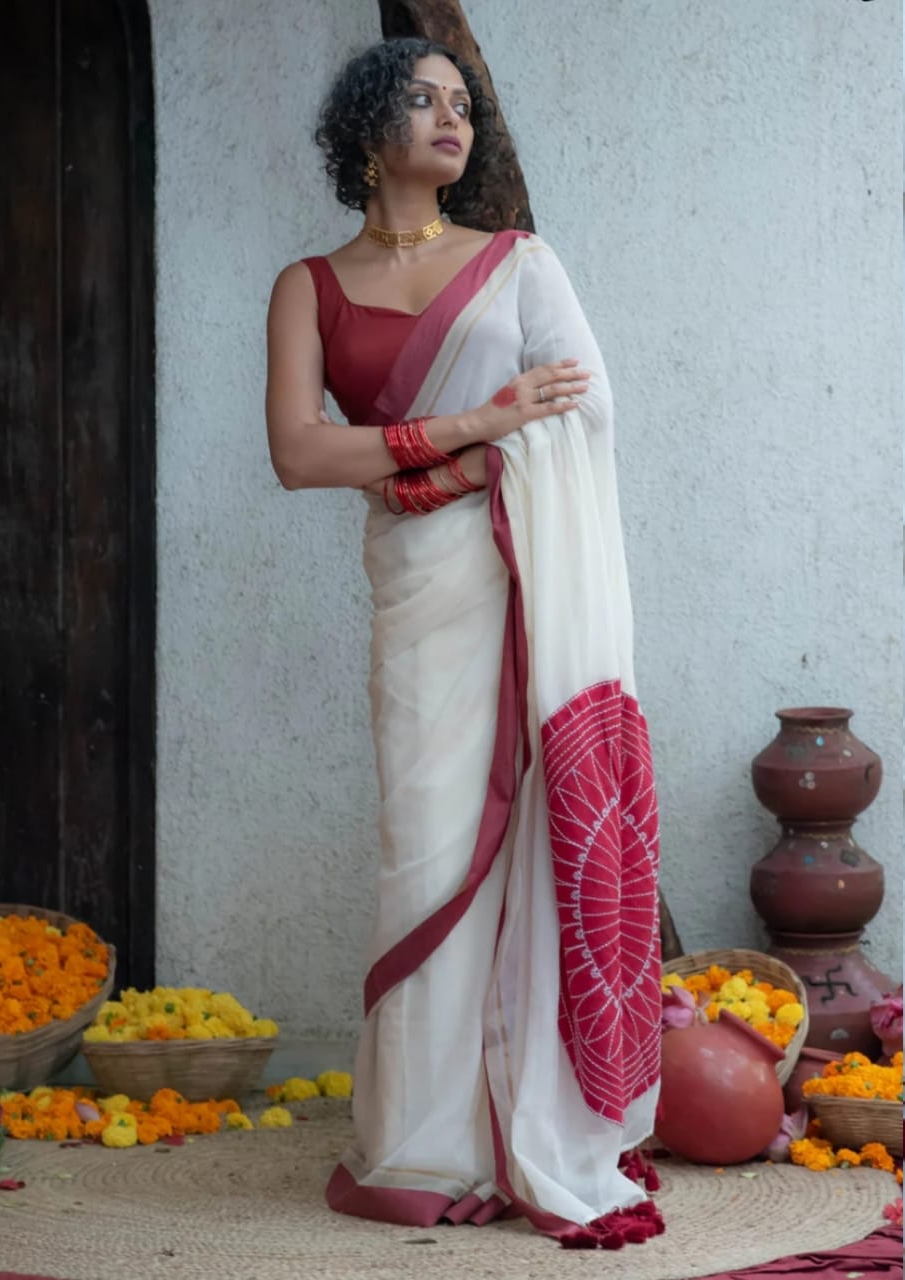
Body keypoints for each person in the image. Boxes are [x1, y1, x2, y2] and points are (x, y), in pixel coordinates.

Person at [265, 37, 663, 1250]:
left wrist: (447, 462)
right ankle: (420, 1142)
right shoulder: (308, 286)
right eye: (421, 100)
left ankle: (519, 1128)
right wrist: (477, 425)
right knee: (425, 845)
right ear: (363, 127)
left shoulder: (514, 265)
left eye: (460, 105)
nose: (450, 120)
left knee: (526, 839)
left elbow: (582, 406)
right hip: (417, 600)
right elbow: (297, 453)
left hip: (519, 587)